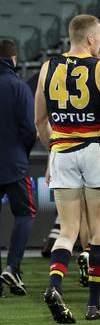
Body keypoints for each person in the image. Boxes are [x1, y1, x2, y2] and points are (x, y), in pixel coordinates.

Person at [34, 14, 100, 323]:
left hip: (63, 151)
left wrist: (55, 148)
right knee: (98, 230)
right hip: (94, 150)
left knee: (67, 231)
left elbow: (40, 121)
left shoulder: (47, 68)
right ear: (90, 39)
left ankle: (55, 287)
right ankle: (93, 305)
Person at [0, 39, 37, 297]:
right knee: (25, 213)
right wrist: (21, 154)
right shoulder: (18, 86)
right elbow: (29, 129)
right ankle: (12, 266)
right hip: (14, 163)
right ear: (14, 58)